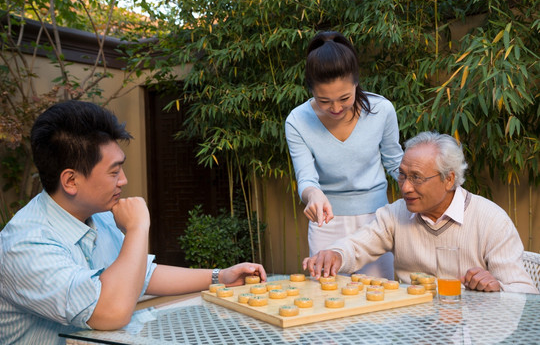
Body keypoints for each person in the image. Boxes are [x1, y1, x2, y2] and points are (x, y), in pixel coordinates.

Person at [0, 100, 267, 345]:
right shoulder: (24, 245)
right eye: (113, 172)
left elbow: (141, 275)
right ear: (71, 181)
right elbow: (109, 312)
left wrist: (219, 276)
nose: (123, 180)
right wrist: (138, 228)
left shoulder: (99, 214)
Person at [303, 131, 538, 294]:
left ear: (449, 179)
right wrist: (335, 254)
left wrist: (497, 287)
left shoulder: (491, 220)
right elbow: (356, 246)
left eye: (417, 178)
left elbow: (524, 292)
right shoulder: (395, 214)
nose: (405, 187)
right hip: (410, 326)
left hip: (471, 329)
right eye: (402, 175)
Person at [285, 31, 403, 279]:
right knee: (328, 300)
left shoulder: (382, 110)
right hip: (326, 222)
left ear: (356, 82)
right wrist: (313, 195)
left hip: (376, 220)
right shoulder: (297, 120)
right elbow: (306, 178)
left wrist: (424, 187)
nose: (336, 108)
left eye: (344, 98)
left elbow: (395, 162)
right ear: (311, 90)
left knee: (381, 299)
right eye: (324, 100)